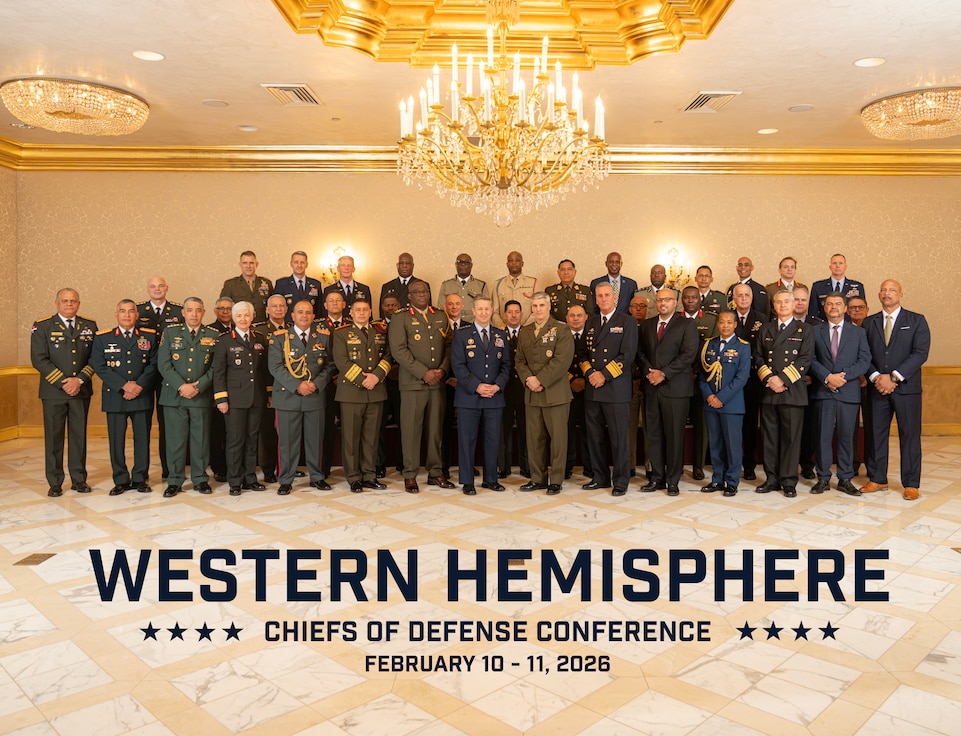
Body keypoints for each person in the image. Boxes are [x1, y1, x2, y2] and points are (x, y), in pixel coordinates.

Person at [861, 280, 930, 501]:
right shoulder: (868, 323)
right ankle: (877, 478)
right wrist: (875, 377)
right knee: (875, 434)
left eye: (892, 290)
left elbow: (920, 353)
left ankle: (911, 483)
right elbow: (864, 355)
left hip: (906, 389)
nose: (887, 293)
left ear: (901, 294)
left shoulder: (916, 320)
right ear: (878, 295)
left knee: (909, 435)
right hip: (877, 388)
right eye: (883, 289)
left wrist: (893, 377)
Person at [31, 288, 98, 497]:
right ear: (56, 303)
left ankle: (79, 479)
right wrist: (63, 382)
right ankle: (55, 481)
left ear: (79, 303)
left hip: (80, 389)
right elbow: (39, 359)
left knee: (79, 436)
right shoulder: (42, 326)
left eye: (73, 301)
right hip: (53, 392)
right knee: (54, 437)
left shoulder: (90, 326)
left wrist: (79, 380)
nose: (69, 304)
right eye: (65, 301)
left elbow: (95, 358)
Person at [388, 280, 453, 492]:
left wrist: (442, 370)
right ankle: (410, 474)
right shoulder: (400, 317)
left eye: (425, 291)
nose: (422, 295)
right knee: (410, 431)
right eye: (417, 292)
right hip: (413, 384)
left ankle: (435, 472)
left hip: (437, 384)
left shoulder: (440, 315)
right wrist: (423, 373)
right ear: (409, 296)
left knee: (435, 431)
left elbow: (449, 346)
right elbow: (398, 350)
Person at [268, 300, 336, 495]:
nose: (304, 316)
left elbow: (330, 365)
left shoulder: (323, 337)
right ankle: (286, 480)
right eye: (300, 312)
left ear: (314, 316)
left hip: (314, 395)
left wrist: (316, 384)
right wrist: (297, 385)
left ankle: (317, 477)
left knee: (315, 440)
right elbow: (275, 366)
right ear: (293, 316)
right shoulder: (280, 337)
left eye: (308, 312)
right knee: (287, 442)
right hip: (288, 397)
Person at [90, 299, 158, 495]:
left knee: (142, 439)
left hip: (141, 395)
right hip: (115, 397)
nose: (127, 315)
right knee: (116, 441)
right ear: (116, 315)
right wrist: (123, 385)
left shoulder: (149, 337)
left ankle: (139, 479)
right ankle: (120, 479)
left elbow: (153, 365)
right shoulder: (103, 338)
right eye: (122, 311)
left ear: (137, 315)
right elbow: (99, 366)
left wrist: (138, 385)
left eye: (131, 312)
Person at [809, 294, 872, 496]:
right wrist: (827, 377)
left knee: (847, 437)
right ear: (824, 308)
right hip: (823, 391)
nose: (833, 307)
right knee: (822, 436)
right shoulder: (814, 331)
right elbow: (810, 359)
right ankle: (823, 478)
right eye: (829, 304)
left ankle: (845, 478)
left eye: (838, 304)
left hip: (848, 391)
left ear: (845, 308)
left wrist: (843, 376)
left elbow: (865, 360)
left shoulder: (858, 333)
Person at [157, 297, 220, 497]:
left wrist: (198, 387)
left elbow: (215, 367)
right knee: (175, 441)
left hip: (200, 396)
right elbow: (164, 364)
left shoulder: (213, 335)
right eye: (190, 310)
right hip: (174, 396)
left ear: (204, 313)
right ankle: (175, 480)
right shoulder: (170, 333)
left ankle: (200, 479)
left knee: (200, 440)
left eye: (198, 310)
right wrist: (182, 386)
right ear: (183, 313)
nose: (194, 314)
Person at [754, 289, 814, 497]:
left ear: (793, 304)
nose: (782, 305)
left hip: (792, 391)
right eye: (778, 302)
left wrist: (783, 379)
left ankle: (788, 481)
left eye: (786, 302)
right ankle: (771, 479)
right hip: (770, 391)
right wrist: (770, 379)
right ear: (774, 305)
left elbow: (805, 359)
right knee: (770, 438)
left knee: (790, 439)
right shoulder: (766, 329)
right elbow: (758, 357)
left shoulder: (804, 330)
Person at [579, 282, 638, 496]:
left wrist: (603, 374)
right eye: (599, 296)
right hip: (593, 389)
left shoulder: (627, 322)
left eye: (607, 295)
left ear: (614, 298)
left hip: (615, 389)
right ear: (595, 299)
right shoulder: (591, 321)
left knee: (619, 438)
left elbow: (627, 355)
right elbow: (583, 354)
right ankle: (600, 476)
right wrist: (589, 374)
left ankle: (621, 480)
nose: (603, 299)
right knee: (594, 437)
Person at [638, 288, 699, 495]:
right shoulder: (646, 325)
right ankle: (657, 478)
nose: (662, 303)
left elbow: (688, 355)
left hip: (675, 389)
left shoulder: (687, 324)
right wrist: (650, 372)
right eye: (659, 300)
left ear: (675, 303)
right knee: (653, 435)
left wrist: (663, 373)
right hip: (651, 388)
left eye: (667, 300)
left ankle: (673, 480)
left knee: (674, 436)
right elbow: (640, 353)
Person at [514, 292, 575, 494]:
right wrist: (529, 380)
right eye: (535, 306)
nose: (538, 309)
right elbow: (520, 361)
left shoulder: (562, 329)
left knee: (558, 440)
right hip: (532, 394)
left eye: (542, 305)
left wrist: (540, 380)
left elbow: (562, 361)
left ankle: (556, 479)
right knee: (534, 439)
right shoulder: (525, 331)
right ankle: (537, 478)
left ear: (549, 307)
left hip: (555, 393)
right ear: (531, 308)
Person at [451, 296, 511, 494]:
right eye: (480, 309)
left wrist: (497, 386)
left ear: (492, 310)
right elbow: (458, 366)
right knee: (467, 441)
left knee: (492, 439)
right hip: (469, 397)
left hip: (494, 397)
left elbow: (506, 366)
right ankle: (468, 481)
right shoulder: (461, 335)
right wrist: (476, 386)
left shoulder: (500, 335)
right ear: (473, 311)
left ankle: (491, 479)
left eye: (487, 309)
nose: (484, 312)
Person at [332, 298, 392, 492]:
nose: (361, 313)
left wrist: (376, 376)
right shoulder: (341, 333)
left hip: (376, 390)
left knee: (371, 437)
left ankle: (369, 475)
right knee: (351, 438)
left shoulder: (380, 331)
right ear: (350, 312)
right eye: (357, 310)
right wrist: (362, 379)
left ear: (370, 312)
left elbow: (389, 355)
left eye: (365, 310)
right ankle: (353, 477)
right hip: (351, 392)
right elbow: (341, 361)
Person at [213, 301, 270, 496]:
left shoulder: (260, 339)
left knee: (252, 439)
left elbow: (264, 371)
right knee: (235, 440)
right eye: (239, 316)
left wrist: (268, 394)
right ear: (233, 318)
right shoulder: (225, 340)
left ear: (252, 317)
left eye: (247, 315)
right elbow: (219, 372)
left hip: (256, 397)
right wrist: (221, 399)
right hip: (234, 399)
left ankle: (250, 478)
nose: (243, 319)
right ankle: (235, 481)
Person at [698, 310, 751, 497]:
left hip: (732, 404)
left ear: (735, 324)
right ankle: (717, 479)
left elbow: (742, 377)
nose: (725, 325)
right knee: (715, 444)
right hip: (710, 403)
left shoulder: (743, 347)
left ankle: (732, 481)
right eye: (722, 322)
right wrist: (709, 396)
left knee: (732, 445)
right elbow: (702, 375)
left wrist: (721, 398)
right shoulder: (708, 345)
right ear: (718, 324)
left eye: (729, 322)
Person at [136, 275, 183, 480]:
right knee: (143, 423)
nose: (157, 289)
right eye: (153, 286)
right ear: (148, 289)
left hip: (169, 375)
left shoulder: (178, 311)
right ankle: (141, 470)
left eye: (160, 286)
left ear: (167, 288)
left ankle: (168, 468)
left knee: (168, 423)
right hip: (145, 374)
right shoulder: (138, 311)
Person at [681, 286, 719, 481]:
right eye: (686, 297)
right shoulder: (675, 318)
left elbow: (711, 348)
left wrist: (696, 370)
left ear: (699, 299)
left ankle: (698, 465)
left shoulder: (711, 320)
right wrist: (683, 370)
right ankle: (677, 464)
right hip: (679, 379)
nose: (690, 301)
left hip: (701, 379)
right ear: (682, 299)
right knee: (677, 424)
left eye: (694, 297)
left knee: (701, 425)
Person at [254, 294, 292, 483]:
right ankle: (269, 468)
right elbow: (261, 367)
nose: (278, 309)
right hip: (270, 390)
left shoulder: (294, 329)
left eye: (281, 306)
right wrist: (269, 391)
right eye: (274, 306)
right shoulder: (260, 331)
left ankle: (287, 467)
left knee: (288, 432)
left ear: (286, 309)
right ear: (267, 309)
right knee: (268, 432)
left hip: (291, 390)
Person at [732, 283, 766, 480]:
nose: (743, 299)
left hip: (753, 379)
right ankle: (733, 463)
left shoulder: (761, 318)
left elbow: (763, 348)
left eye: (747, 295)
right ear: (734, 299)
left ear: (751, 298)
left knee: (751, 424)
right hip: (732, 379)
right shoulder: (727, 317)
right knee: (733, 424)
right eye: (740, 295)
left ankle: (750, 464)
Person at [794, 285, 824, 480]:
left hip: (812, 384)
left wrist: (811, 374)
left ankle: (807, 464)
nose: (800, 303)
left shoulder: (818, 324)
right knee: (790, 427)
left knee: (810, 428)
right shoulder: (780, 323)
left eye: (803, 300)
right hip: (789, 384)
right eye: (796, 299)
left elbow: (821, 354)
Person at [498, 300, 529, 478]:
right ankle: (504, 467)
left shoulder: (529, 334)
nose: (514, 315)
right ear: (504, 315)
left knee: (526, 431)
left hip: (525, 390)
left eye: (517, 312)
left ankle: (526, 467)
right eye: (510, 312)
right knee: (504, 432)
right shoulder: (498, 335)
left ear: (521, 314)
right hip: (504, 390)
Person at [441, 294, 470, 478]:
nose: (454, 307)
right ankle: (443, 466)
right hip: (444, 384)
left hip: (465, 385)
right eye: (450, 304)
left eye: (457, 304)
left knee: (466, 427)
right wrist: (447, 378)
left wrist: (463, 380)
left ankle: (465, 465)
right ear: (445, 306)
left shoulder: (470, 327)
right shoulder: (438, 325)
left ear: (463, 305)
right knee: (443, 426)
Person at [207, 297, 234, 482]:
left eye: (229, 308)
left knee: (234, 431)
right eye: (221, 308)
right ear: (215, 310)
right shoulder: (209, 331)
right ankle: (218, 467)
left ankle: (234, 465)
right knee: (217, 431)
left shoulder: (240, 327)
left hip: (238, 389)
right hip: (216, 389)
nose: (225, 312)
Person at [565, 305, 593, 480]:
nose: (576, 318)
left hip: (589, 389)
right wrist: (570, 381)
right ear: (566, 318)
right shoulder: (559, 335)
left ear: (586, 317)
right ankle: (566, 467)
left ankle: (590, 467)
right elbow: (553, 361)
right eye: (572, 315)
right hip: (565, 391)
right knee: (566, 431)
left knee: (589, 430)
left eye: (579, 315)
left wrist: (585, 380)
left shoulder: (593, 333)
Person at [846, 295, 873, 475]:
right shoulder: (845, 330)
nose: (857, 310)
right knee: (850, 428)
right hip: (850, 383)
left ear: (867, 309)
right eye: (853, 308)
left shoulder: (875, 328)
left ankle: (872, 467)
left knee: (873, 427)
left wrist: (867, 375)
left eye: (860, 307)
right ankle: (852, 465)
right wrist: (857, 375)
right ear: (847, 311)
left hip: (872, 384)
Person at [377, 295, 403, 477]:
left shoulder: (407, 323)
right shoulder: (375, 327)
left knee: (405, 424)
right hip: (381, 382)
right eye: (387, 305)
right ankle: (379, 464)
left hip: (403, 381)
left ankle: (403, 463)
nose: (391, 308)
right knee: (378, 425)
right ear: (382, 307)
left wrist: (400, 368)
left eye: (394, 304)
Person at [628, 294, 653, 478]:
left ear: (648, 309)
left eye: (642, 306)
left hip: (649, 383)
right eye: (635, 305)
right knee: (628, 428)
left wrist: (644, 377)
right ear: (629, 309)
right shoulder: (623, 326)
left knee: (650, 428)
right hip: (627, 385)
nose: (638, 309)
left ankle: (650, 467)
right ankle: (629, 466)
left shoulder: (652, 327)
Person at [809, 253, 866, 321]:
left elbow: (862, 311)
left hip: (850, 327)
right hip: (824, 327)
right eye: (834, 263)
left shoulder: (858, 287)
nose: (837, 266)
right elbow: (813, 313)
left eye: (840, 263)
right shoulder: (818, 287)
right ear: (830, 267)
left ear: (845, 267)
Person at [220, 250, 274, 322]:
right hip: (240, 326)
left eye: (251, 263)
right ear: (240, 265)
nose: (248, 266)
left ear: (256, 264)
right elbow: (224, 308)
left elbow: (273, 306)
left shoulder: (266, 283)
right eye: (245, 263)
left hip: (262, 327)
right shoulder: (231, 284)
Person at [491, 251, 537, 328]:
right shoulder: (498, 284)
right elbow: (494, 312)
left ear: (522, 263)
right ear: (507, 264)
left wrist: (524, 329)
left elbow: (537, 311)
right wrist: (503, 328)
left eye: (517, 260)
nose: (514, 263)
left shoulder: (533, 283)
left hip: (528, 330)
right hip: (504, 332)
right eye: (510, 260)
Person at [438, 253, 489, 320]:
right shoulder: (446, 285)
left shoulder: (481, 285)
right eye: (460, 262)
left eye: (466, 262)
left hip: (474, 325)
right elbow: (441, 309)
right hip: (452, 324)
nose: (463, 265)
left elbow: (486, 308)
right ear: (456, 265)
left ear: (471, 265)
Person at [379, 252, 431, 318]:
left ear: (413, 266)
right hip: (393, 324)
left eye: (408, 263)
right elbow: (382, 312)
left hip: (414, 323)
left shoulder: (422, 285)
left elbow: (427, 310)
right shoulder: (387, 286)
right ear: (397, 266)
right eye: (401, 263)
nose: (404, 266)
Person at [274, 250, 323, 320]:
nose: (299, 265)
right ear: (291, 264)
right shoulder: (282, 284)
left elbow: (319, 310)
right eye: (296, 262)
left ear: (307, 264)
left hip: (310, 326)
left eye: (302, 262)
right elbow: (276, 308)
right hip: (289, 326)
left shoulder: (316, 284)